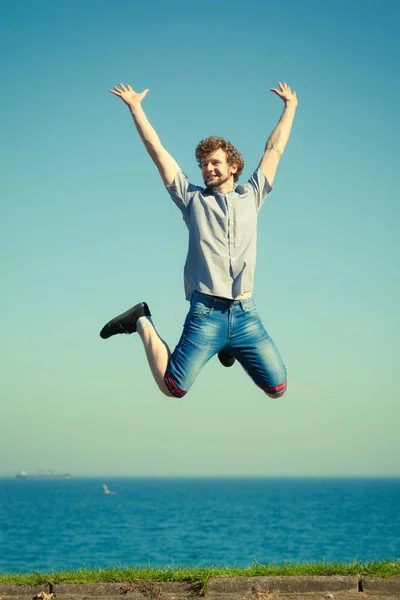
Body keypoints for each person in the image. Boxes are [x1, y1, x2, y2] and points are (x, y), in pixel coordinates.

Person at [100, 81, 298, 399]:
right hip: (205, 313)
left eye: (215, 163)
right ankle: (140, 319)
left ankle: (230, 348)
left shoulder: (252, 194)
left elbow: (274, 149)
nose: (207, 169)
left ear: (233, 167)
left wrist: (290, 107)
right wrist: (136, 108)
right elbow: (158, 152)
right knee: (173, 389)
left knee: (278, 389)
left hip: (246, 313)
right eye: (203, 165)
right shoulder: (192, 199)